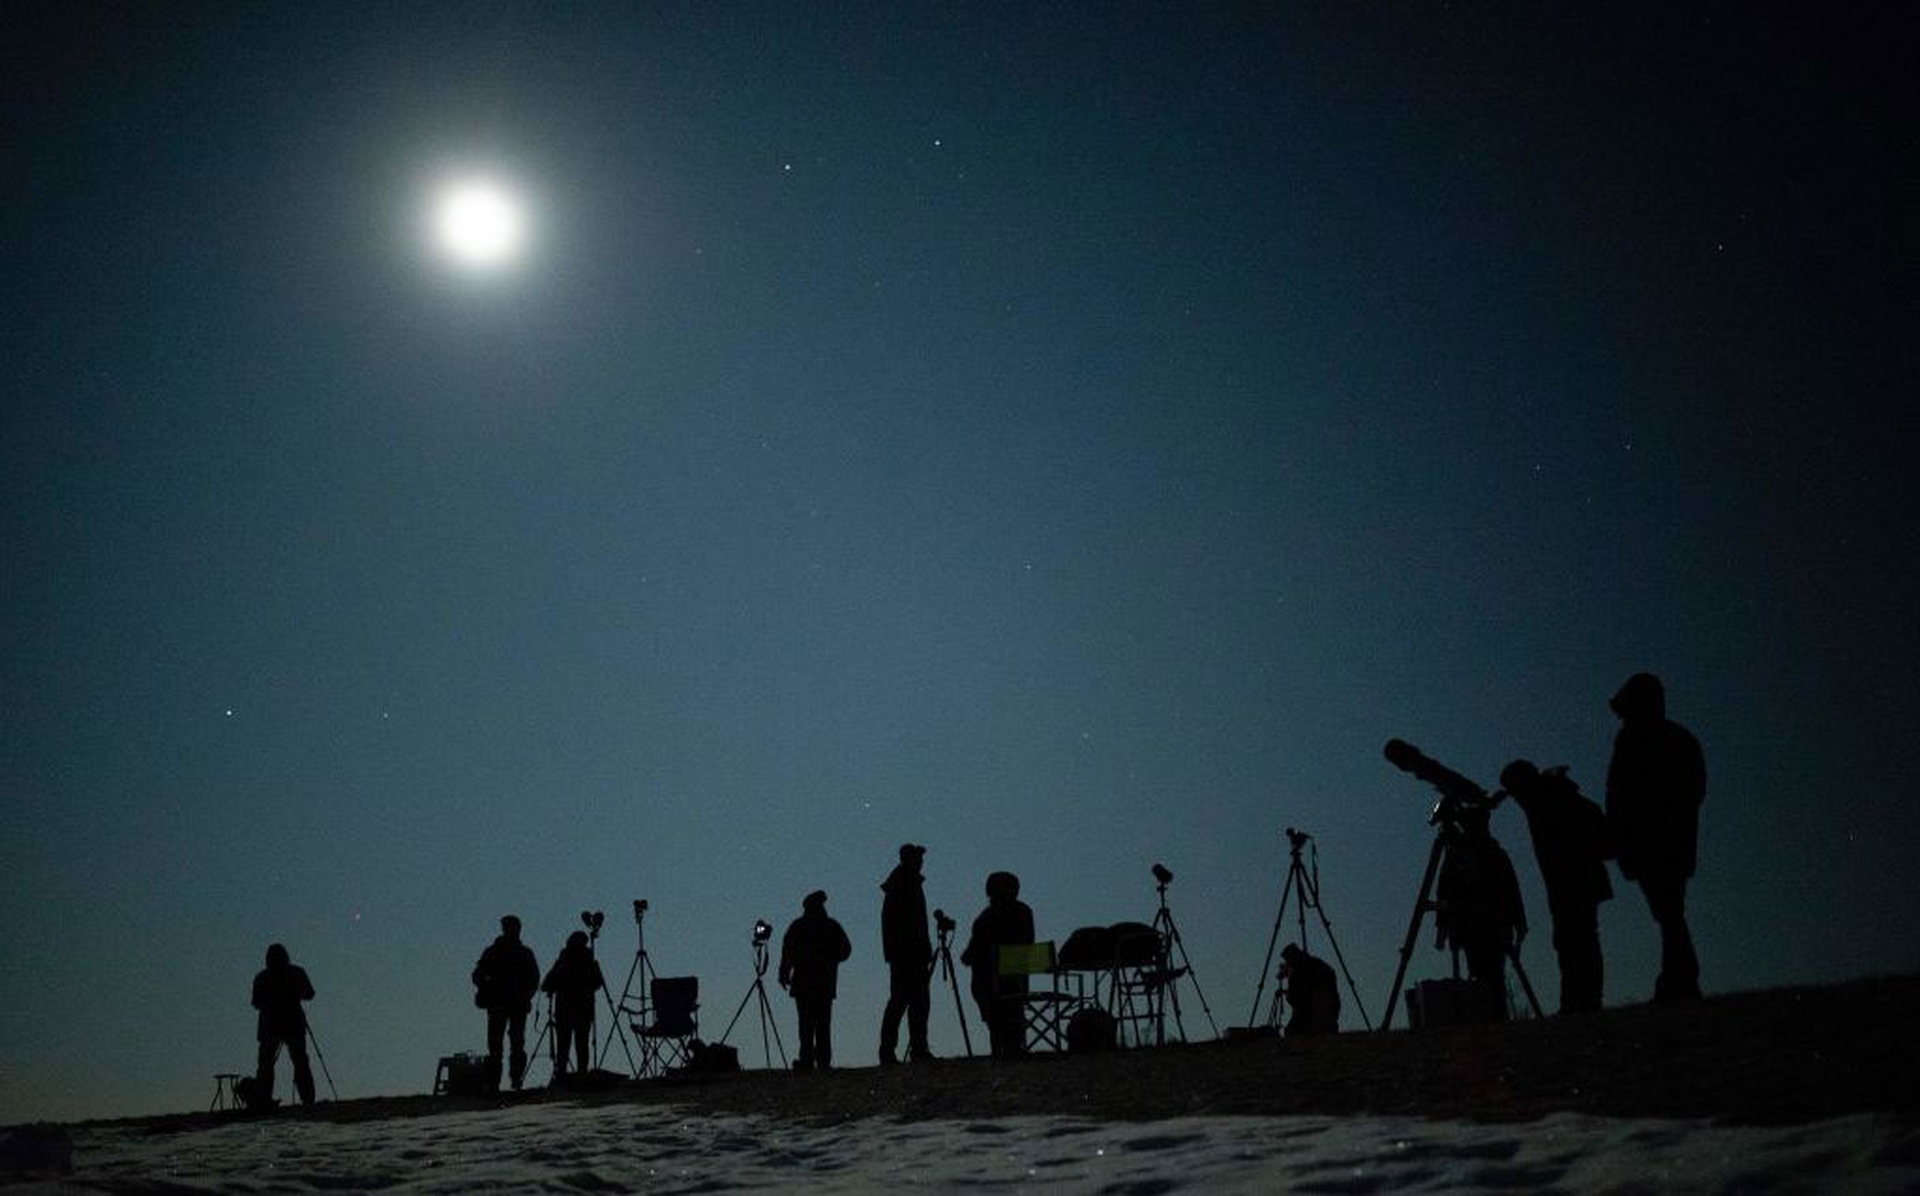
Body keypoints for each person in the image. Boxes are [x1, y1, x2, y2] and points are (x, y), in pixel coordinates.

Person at [1606, 672, 1707, 1003]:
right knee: (1669, 911)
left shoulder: (1636, 740)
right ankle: (1678, 977)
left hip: (1652, 841)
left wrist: (1626, 834)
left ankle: (1680, 978)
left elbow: (1620, 794)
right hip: (1671, 840)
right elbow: (1695, 789)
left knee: (1668, 912)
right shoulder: (1679, 737)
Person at [1501, 758, 1614, 1013]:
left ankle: (1584, 1001)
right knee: (1571, 941)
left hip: (1575, 881)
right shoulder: (1551, 798)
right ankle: (1578, 1001)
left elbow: (1601, 840)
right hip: (1568, 883)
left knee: (1578, 941)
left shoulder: (1551, 802)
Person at [1434, 805, 1528, 1011]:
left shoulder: (1487, 855)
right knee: (1483, 974)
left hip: (1489, 924)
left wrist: (1519, 922)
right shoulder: (1482, 854)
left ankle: (1494, 1013)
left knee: (1491, 975)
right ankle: (1490, 1013)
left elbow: (1510, 890)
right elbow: (1445, 891)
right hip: (1473, 925)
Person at [959, 871, 1035, 1057]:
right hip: (1019, 981)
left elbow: (970, 955)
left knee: (985, 991)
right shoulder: (1024, 912)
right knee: (1007, 1001)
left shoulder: (986, 918)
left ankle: (1000, 1042)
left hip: (991, 984)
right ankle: (1013, 1042)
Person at [778, 890, 854, 1071]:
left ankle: (810, 1060)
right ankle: (821, 1061)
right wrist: (831, 959)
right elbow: (845, 950)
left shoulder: (799, 927)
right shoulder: (830, 926)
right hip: (822, 983)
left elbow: (787, 953)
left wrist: (784, 973)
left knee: (807, 1025)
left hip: (808, 984)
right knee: (820, 1024)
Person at [878, 842, 934, 1065]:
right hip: (907, 954)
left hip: (907, 953)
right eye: (918, 859)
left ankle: (911, 1048)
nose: (921, 863)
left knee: (910, 1002)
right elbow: (906, 924)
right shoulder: (903, 884)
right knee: (905, 1001)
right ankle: (907, 1049)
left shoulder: (904, 883)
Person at [472, 915, 541, 1092]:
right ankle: (501, 1081)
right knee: (500, 1045)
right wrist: (489, 985)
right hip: (501, 1003)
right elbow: (477, 975)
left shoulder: (515, 952)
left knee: (510, 1044)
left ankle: (511, 1080)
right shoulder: (497, 952)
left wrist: (524, 994)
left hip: (512, 1004)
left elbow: (534, 980)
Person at [252, 943, 316, 1107]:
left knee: (267, 1063)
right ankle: (307, 1098)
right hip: (290, 1023)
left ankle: (263, 1099)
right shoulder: (295, 972)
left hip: (272, 1025)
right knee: (299, 1060)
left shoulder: (262, 977)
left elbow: (256, 1003)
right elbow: (309, 993)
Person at [541, 930, 605, 1083]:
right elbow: (597, 983)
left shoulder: (564, 961)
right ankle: (581, 1073)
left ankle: (563, 1073)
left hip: (565, 1008)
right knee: (580, 1043)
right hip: (582, 1008)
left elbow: (547, 984)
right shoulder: (587, 960)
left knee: (564, 1043)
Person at [1278, 943, 1339, 1036]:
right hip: (1325, 1018)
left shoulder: (1301, 971)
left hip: (1312, 1018)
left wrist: (1290, 977)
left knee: (1291, 1033)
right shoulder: (1316, 965)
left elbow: (1296, 998)